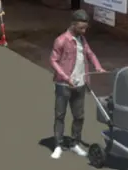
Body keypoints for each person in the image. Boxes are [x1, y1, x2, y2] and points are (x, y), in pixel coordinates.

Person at [49, 9, 105, 159]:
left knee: (79, 116)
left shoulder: (82, 39)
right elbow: (53, 61)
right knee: (60, 115)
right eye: (81, 28)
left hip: (80, 84)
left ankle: (74, 143)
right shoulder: (61, 40)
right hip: (63, 85)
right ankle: (58, 145)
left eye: (86, 28)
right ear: (73, 24)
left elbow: (90, 54)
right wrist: (66, 78)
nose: (84, 31)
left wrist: (97, 66)